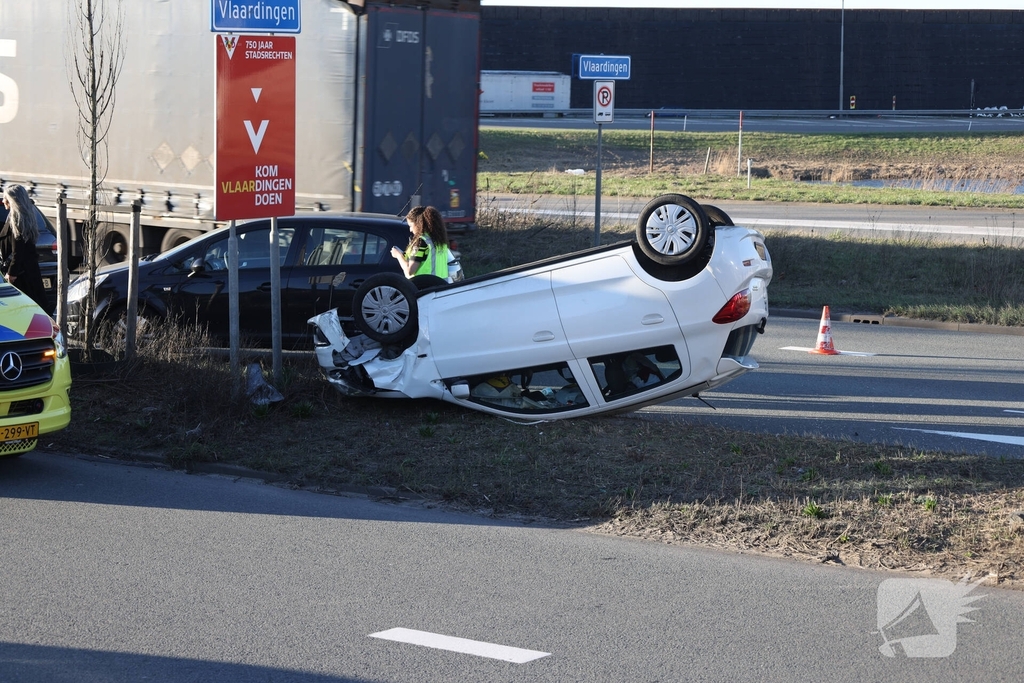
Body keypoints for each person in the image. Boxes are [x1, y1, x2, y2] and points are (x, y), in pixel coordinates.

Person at [0, 184, 49, 310]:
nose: (3, 201)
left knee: (23, 308)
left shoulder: (16, 220)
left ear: (12, 200)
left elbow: (18, 251)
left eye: (5, 198)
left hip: (21, 275)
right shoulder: (26, 218)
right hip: (29, 271)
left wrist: (12, 273)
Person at [391, 205, 452, 281]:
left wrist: (398, 255)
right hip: (442, 286)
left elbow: (410, 271)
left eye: (410, 225)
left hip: (424, 286)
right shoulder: (440, 242)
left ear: (419, 223)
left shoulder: (422, 242)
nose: (410, 230)